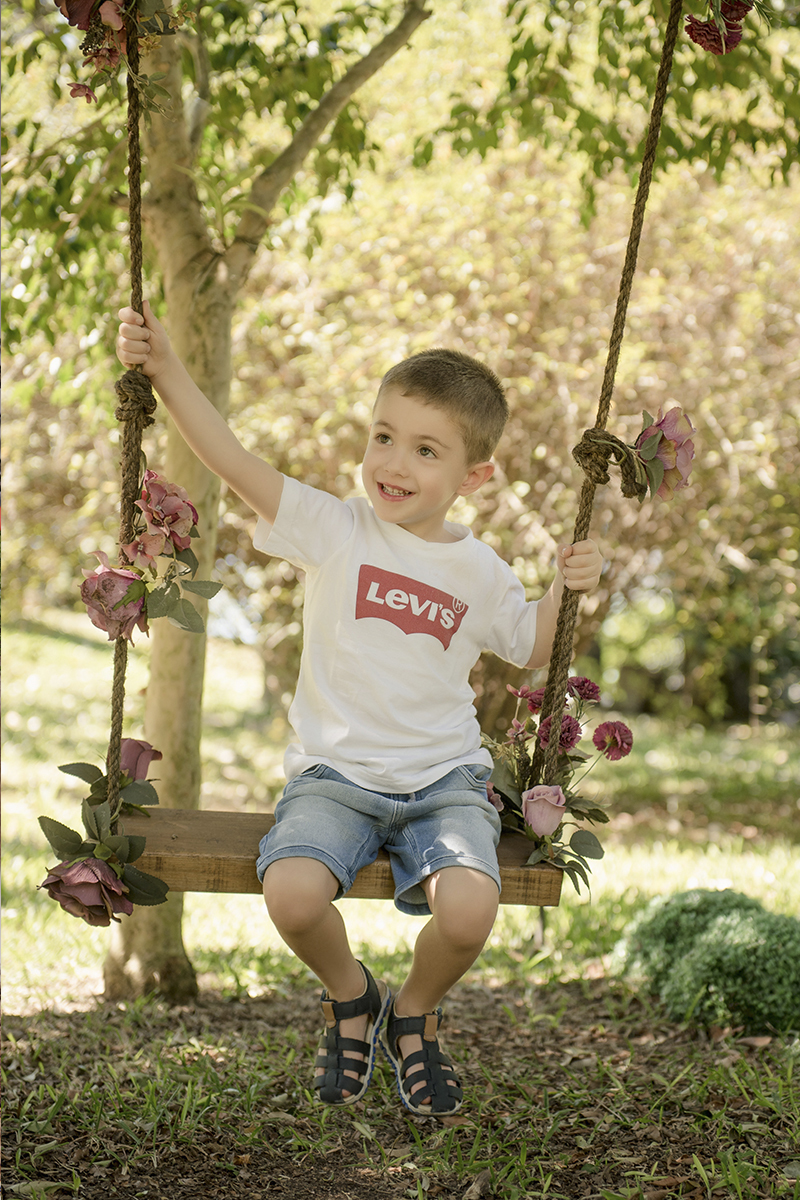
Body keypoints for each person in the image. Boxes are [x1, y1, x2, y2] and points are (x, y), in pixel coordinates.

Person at [117, 303, 603, 1117]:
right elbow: (233, 460)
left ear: (472, 477)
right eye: (383, 436)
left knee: (471, 910)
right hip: (334, 777)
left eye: (424, 448)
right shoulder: (335, 529)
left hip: (444, 780)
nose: (394, 462)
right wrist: (165, 368)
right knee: (295, 896)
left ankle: (414, 1009)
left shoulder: (479, 569)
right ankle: (353, 997)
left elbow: (531, 646)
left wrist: (571, 585)